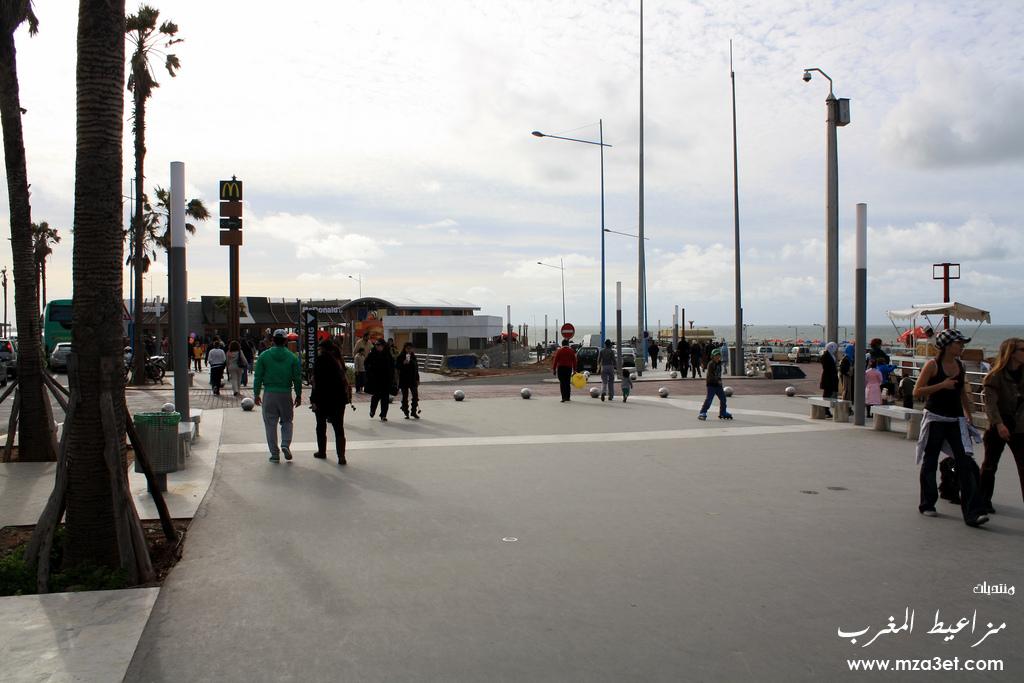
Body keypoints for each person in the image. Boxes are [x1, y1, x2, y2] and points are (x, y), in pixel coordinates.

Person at [913, 328, 988, 527]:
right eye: (958, 343)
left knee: (965, 463)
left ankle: (973, 512)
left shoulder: (960, 365)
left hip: (956, 420)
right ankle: (927, 503)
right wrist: (942, 385)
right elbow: (917, 391)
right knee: (930, 461)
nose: (962, 346)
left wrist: (968, 414)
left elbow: (962, 392)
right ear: (947, 346)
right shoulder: (932, 365)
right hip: (935, 419)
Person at [980, 337, 1024, 513]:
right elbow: (990, 404)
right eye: (1022, 350)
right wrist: (999, 424)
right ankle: (983, 501)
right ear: (1011, 353)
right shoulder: (995, 376)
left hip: (1020, 426)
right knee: (990, 465)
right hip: (999, 425)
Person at [253, 329, 302, 463]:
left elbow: (258, 376)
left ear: (273, 340)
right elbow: (297, 378)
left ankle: (274, 454)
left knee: (270, 424)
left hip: (269, 393)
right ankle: (285, 443)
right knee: (287, 421)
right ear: (286, 341)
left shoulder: (264, 356)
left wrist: (256, 394)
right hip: (285, 393)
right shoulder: (292, 357)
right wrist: (298, 395)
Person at [310, 339, 351, 465]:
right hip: (339, 399)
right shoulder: (338, 360)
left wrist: (313, 400)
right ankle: (341, 456)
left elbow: (316, 382)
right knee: (339, 428)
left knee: (321, 426)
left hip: (322, 398)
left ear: (322, 349)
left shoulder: (320, 360)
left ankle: (322, 452)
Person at [365, 339, 393, 421]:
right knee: (376, 397)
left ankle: (383, 415)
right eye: (376, 345)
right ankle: (372, 410)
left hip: (385, 380)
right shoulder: (372, 354)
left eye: (379, 345)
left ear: (383, 346)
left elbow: (392, 366)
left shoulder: (387, 354)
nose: (377, 347)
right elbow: (366, 363)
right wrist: (370, 371)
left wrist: (392, 377)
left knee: (385, 398)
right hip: (375, 379)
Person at [698, 348, 731, 420]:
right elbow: (710, 375)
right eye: (716, 356)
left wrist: (719, 381)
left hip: (718, 385)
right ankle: (702, 412)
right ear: (712, 356)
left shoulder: (719, 364)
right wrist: (717, 380)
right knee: (709, 399)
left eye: (718, 355)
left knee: (723, 399)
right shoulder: (711, 364)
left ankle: (723, 412)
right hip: (711, 384)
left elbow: (719, 374)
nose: (717, 357)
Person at [396, 342, 421, 419]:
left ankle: (413, 412)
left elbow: (416, 369)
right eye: (407, 348)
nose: (409, 350)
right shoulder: (400, 356)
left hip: (413, 379)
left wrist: (417, 379)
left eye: (410, 348)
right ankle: (406, 411)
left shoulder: (413, 357)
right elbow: (397, 366)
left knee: (415, 396)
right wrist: (403, 363)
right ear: (404, 348)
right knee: (405, 396)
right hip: (404, 379)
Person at [819, 342, 839, 418]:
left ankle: (826, 410)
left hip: (831, 377)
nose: (835, 349)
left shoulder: (831, 355)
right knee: (827, 393)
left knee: (829, 393)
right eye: (834, 348)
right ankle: (825, 410)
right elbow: (826, 366)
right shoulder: (825, 356)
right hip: (828, 377)